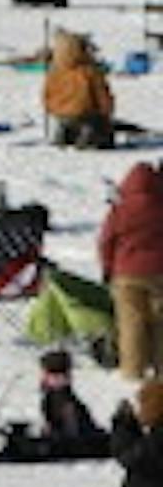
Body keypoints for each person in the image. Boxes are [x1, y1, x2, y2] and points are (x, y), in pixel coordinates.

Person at [101, 162, 163, 383]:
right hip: (159, 272)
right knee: (159, 322)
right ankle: (160, 367)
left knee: (131, 323)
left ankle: (132, 370)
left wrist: (107, 267)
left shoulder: (121, 209)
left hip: (126, 273)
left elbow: (106, 241)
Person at [44, 31, 116, 149]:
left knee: (69, 120)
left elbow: (46, 95)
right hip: (86, 115)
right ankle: (90, 136)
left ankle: (66, 133)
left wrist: (52, 108)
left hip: (60, 113)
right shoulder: (90, 71)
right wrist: (107, 114)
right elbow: (102, 97)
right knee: (97, 124)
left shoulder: (54, 72)